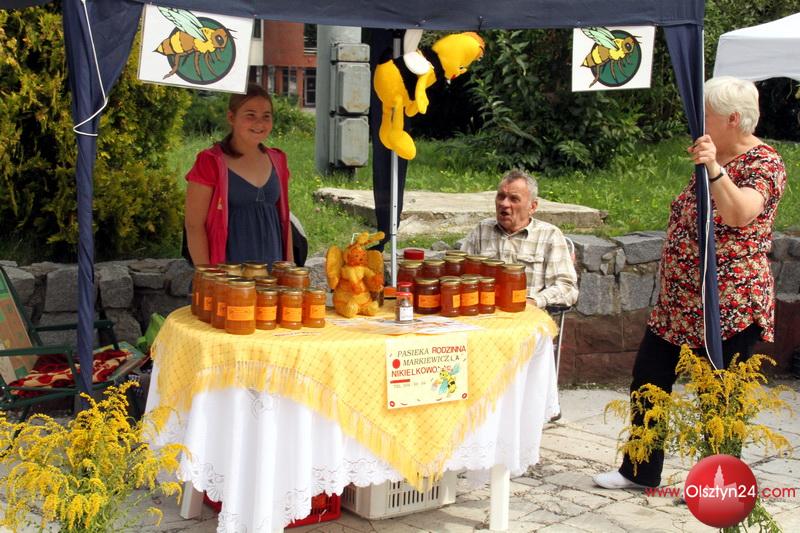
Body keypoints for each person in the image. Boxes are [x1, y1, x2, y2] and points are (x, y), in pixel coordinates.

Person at [594, 76, 787, 490]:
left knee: (718, 397)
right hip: (679, 302)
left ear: (732, 119)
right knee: (649, 379)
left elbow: (740, 213)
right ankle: (639, 470)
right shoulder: (714, 154)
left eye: (706, 114)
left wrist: (714, 169)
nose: (697, 122)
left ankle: (717, 483)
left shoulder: (764, 163)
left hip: (727, 304)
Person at [184, 83, 292, 267]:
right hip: (228, 275)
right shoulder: (210, 162)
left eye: (266, 116)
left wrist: (290, 268)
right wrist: (208, 275)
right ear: (231, 117)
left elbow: (284, 219)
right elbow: (194, 226)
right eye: (250, 115)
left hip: (272, 276)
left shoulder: (278, 159)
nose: (259, 123)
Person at [461, 169, 578, 308]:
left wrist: (534, 301)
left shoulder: (549, 235)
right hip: (484, 312)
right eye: (501, 196)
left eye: (514, 199)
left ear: (532, 206)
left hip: (527, 314)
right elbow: (460, 273)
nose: (504, 204)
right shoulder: (482, 230)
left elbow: (567, 288)